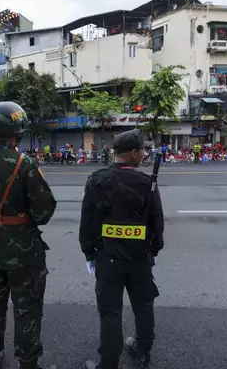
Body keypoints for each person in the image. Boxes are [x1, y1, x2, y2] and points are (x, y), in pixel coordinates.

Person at [0, 101, 57, 369]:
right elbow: (45, 210)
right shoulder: (25, 164)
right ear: (16, 130)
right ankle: (28, 362)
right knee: (26, 309)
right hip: (24, 252)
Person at [80, 129, 165, 369]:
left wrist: (89, 252)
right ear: (133, 153)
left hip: (109, 259)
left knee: (110, 313)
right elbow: (157, 223)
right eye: (142, 150)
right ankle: (142, 349)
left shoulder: (97, 180)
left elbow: (87, 223)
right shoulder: (145, 183)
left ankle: (108, 363)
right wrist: (153, 250)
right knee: (143, 306)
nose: (144, 154)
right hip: (140, 259)